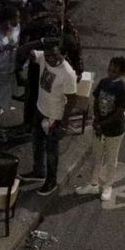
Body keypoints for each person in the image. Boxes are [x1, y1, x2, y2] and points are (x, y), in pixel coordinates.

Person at [21, 41, 81, 196]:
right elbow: (24, 50)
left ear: (63, 54)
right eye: (47, 56)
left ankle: (51, 180)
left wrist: (64, 123)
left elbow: (72, 100)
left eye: (54, 56)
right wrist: (41, 41)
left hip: (55, 117)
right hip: (40, 109)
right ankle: (38, 171)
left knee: (51, 150)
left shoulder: (67, 73)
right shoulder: (44, 58)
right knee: (37, 143)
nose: (50, 59)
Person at [77, 57, 125, 199]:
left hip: (114, 130)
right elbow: (96, 101)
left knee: (111, 160)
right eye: (110, 69)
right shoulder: (103, 82)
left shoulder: (123, 90)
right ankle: (94, 184)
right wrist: (96, 120)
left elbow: (119, 112)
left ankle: (108, 186)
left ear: (121, 72)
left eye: (115, 70)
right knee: (97, 157)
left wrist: (101, 123)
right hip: (100, 128)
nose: (111, 72)